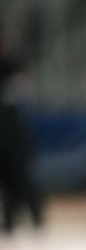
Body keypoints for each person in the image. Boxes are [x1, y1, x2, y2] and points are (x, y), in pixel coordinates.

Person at [0, 35, 44, 235]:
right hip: (8, 132)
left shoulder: (13, 66)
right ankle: (10, 221)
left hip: (12, 133)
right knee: (7, 179)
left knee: (19, 178)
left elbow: (25, 90)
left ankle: (36, 218)